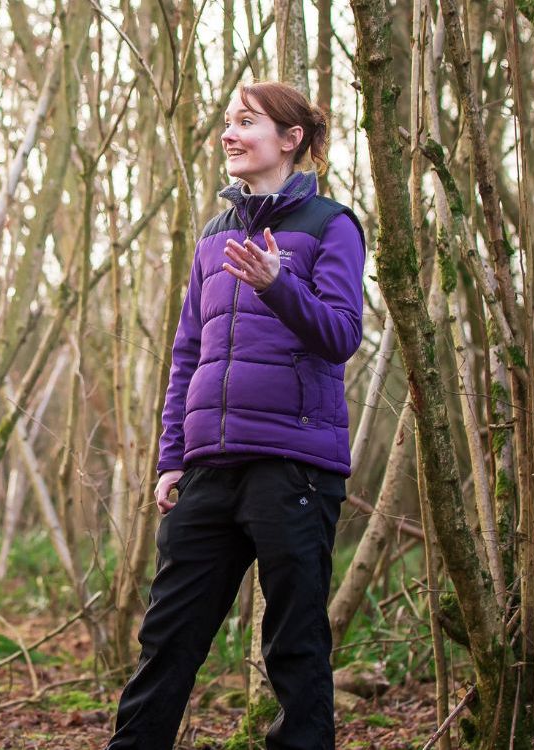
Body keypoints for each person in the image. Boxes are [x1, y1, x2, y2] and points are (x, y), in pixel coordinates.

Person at [109, 81, 368, 750]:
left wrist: (276, 285)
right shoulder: (213, 237)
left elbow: (340, 334)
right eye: (227, 120)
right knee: (167, 639)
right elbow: (187, 353)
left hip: (294, 469)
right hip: (208, 472)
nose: (229, 133)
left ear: (289, 140)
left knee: (295, 648)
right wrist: (172, 458)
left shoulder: (331, 225)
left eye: (246, 121)